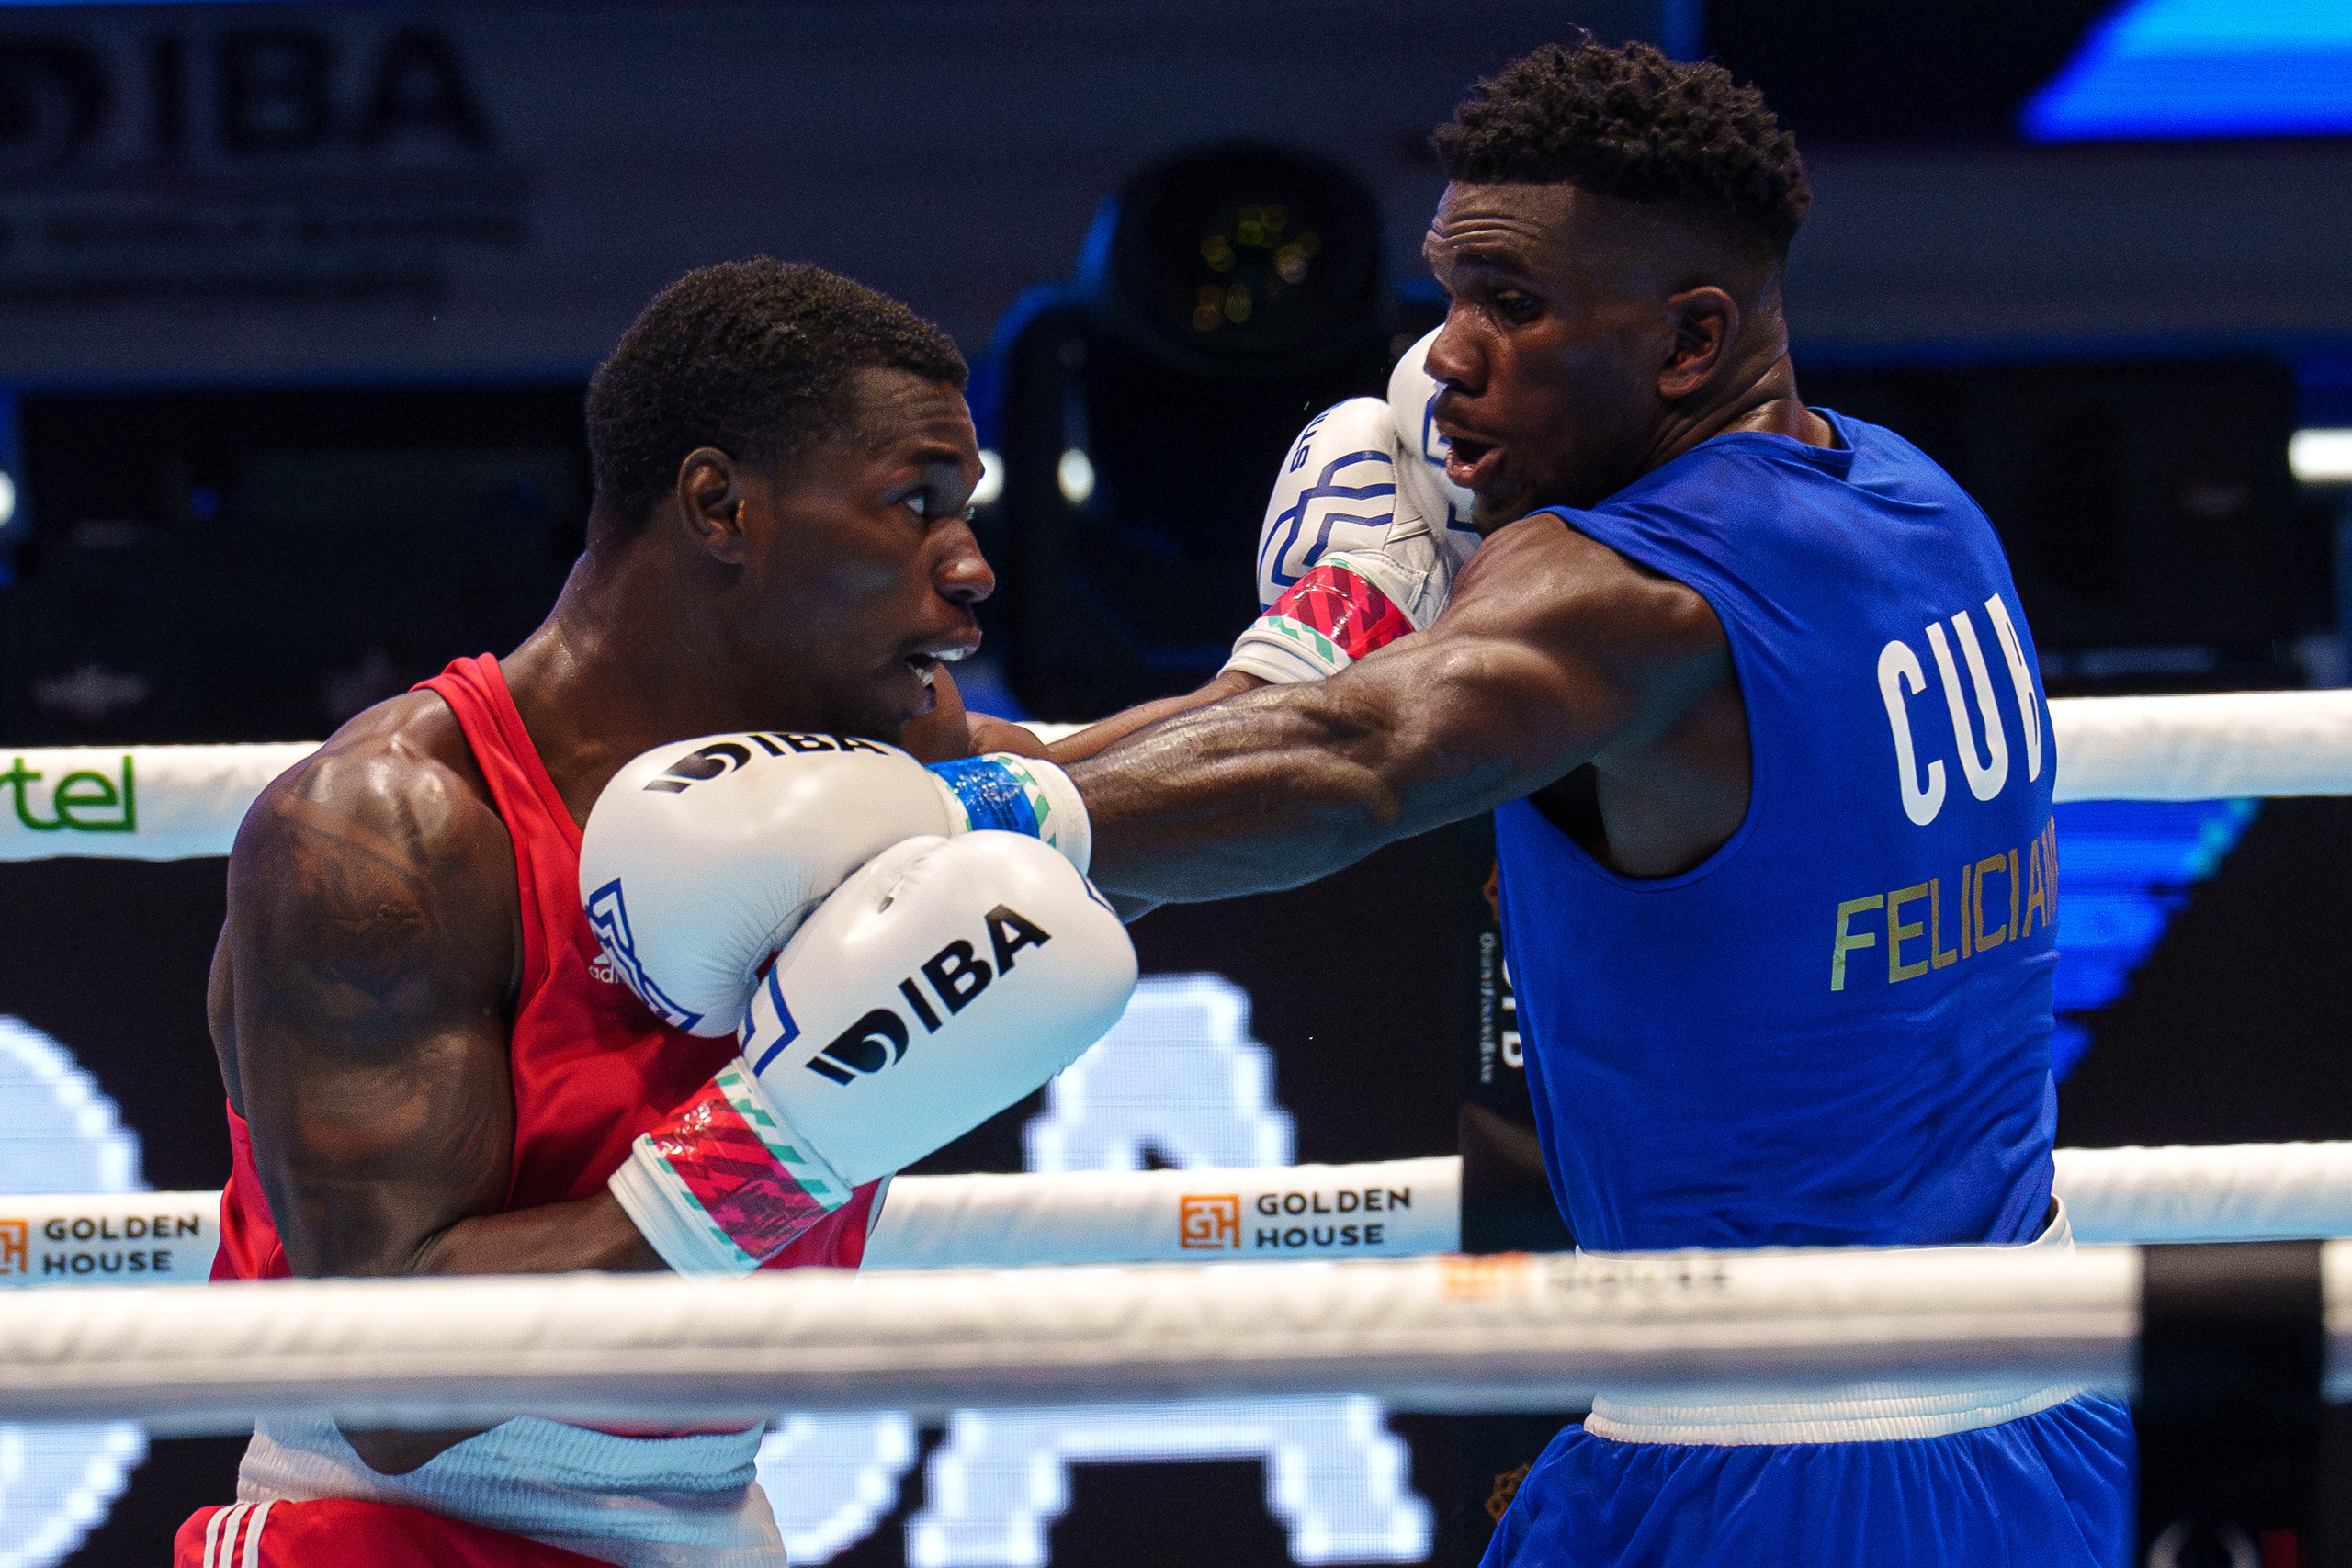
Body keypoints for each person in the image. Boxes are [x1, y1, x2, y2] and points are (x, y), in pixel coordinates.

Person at [1048, 39, 2134, 1565]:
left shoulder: (1620, 591)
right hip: (2042, 1409)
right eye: (1448, 294)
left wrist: (947, 814)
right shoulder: (1915, 502)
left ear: (1690, 342)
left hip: (1784, 1468)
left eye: (1514, 304)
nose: (1443, 359)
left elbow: (1336, 769)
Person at [179, 259, 1131, 1568]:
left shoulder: (896, 781)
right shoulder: (386, 832)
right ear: (719, 506)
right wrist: (783, 1137)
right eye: (915, 507)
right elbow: (394, 1390)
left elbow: (1270, 779)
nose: (969, 567)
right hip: (385, 1538)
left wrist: (1357, 615)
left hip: (708, 1527)